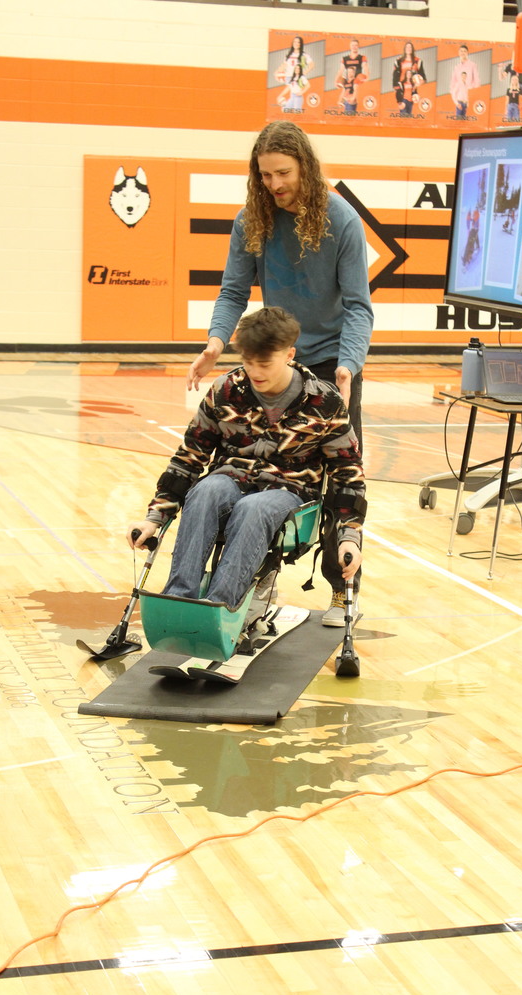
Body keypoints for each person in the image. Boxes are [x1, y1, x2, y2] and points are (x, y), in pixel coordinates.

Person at [185, 121, 373, 626]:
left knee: (338, 483)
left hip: (333, 366)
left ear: (305, 168)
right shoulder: (253, 219)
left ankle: (341, 590)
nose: (274, 184)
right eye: (264, 175)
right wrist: (215, 345)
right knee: (259, 471)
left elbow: (359, 307)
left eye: (283, 173)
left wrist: (348, 368)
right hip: (276, 354)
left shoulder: (342, 220)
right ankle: (258, 573)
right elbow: (232, 292)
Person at [128, 307, 365, 617]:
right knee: (204, 490)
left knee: (252, 508)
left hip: (291, 494)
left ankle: (221, 610)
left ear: (290, 354)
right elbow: (189, 456)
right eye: (248, 362)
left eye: (265, 363)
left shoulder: (325, 401)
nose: (255, 372)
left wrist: (350, 537)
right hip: (230, 481)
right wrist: (154, 517)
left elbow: (348, 475)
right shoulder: (225, 390)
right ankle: (179, 603)